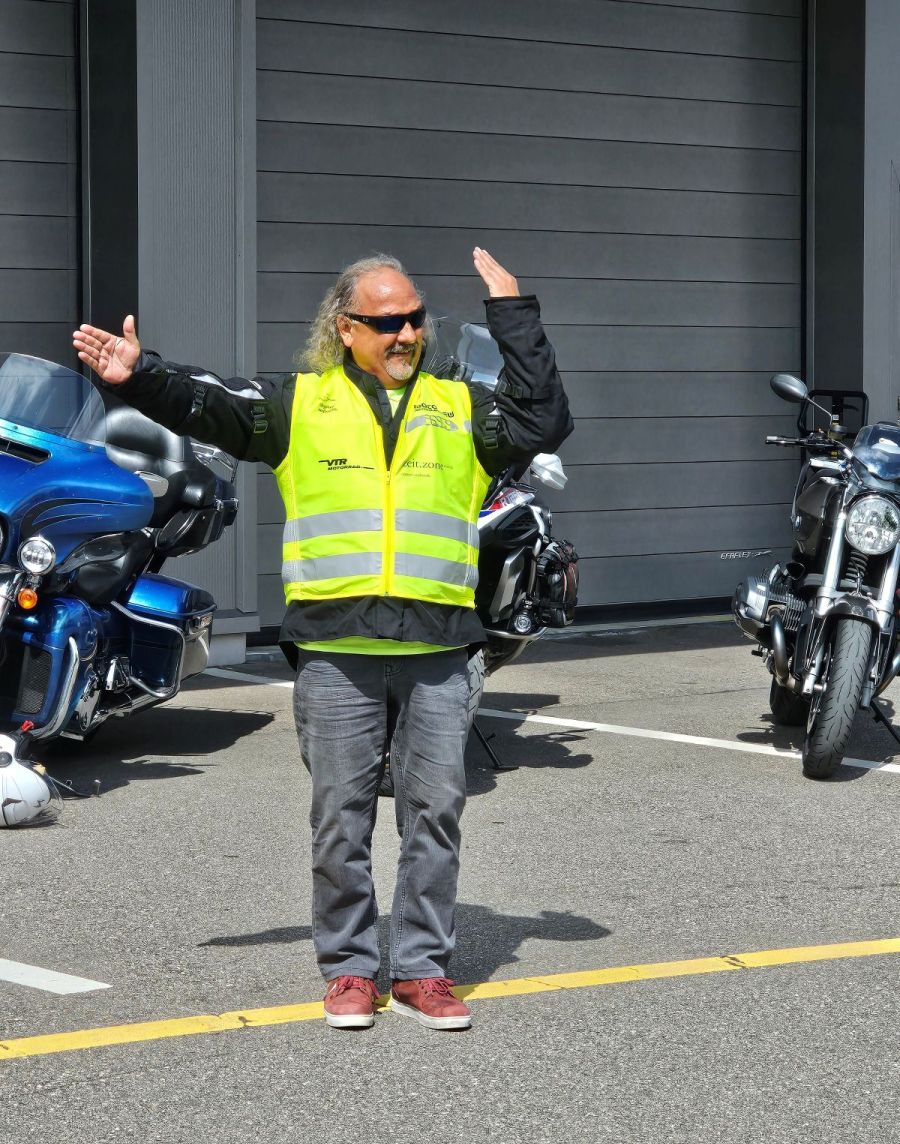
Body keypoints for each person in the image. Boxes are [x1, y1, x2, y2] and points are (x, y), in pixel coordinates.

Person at [72, 247, 572, 1032]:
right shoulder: (297, 404)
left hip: (439, 648)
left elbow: (546, 419)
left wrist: (513, 313)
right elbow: (208, 403)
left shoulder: (463, 406)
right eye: (386, 322)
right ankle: (349, 970)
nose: (405, 334)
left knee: (435, 816)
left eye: (414, 319)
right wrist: (138, 377)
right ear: (345, 328)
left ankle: (423, 970)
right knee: (340, 819)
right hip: (337, 649)